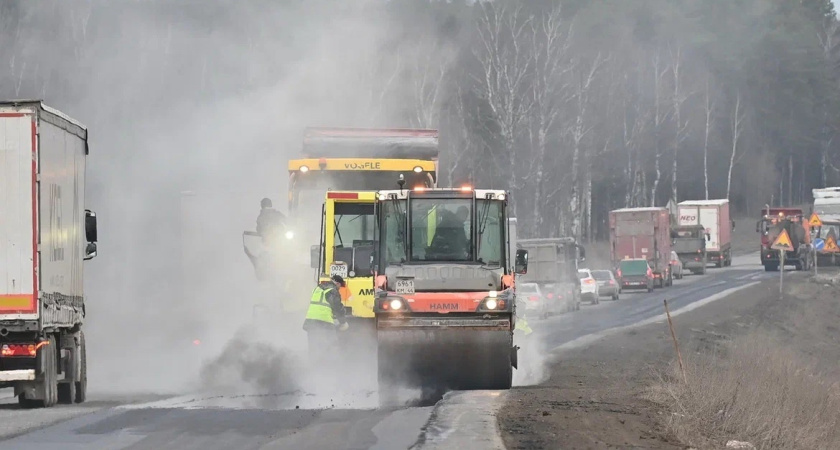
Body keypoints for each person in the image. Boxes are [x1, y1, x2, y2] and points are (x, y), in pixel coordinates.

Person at [303, 275, 349, 359]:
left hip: (310, 321)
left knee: (313, 347)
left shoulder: (317, 288)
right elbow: (337, 307)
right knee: (332, 345)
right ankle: (329, 366)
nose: (339, 288)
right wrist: (343, 322)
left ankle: (313, 367)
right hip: (324, 322)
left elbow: (321, 304)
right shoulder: (332, 290)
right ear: (337, 283)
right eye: (340, 286)